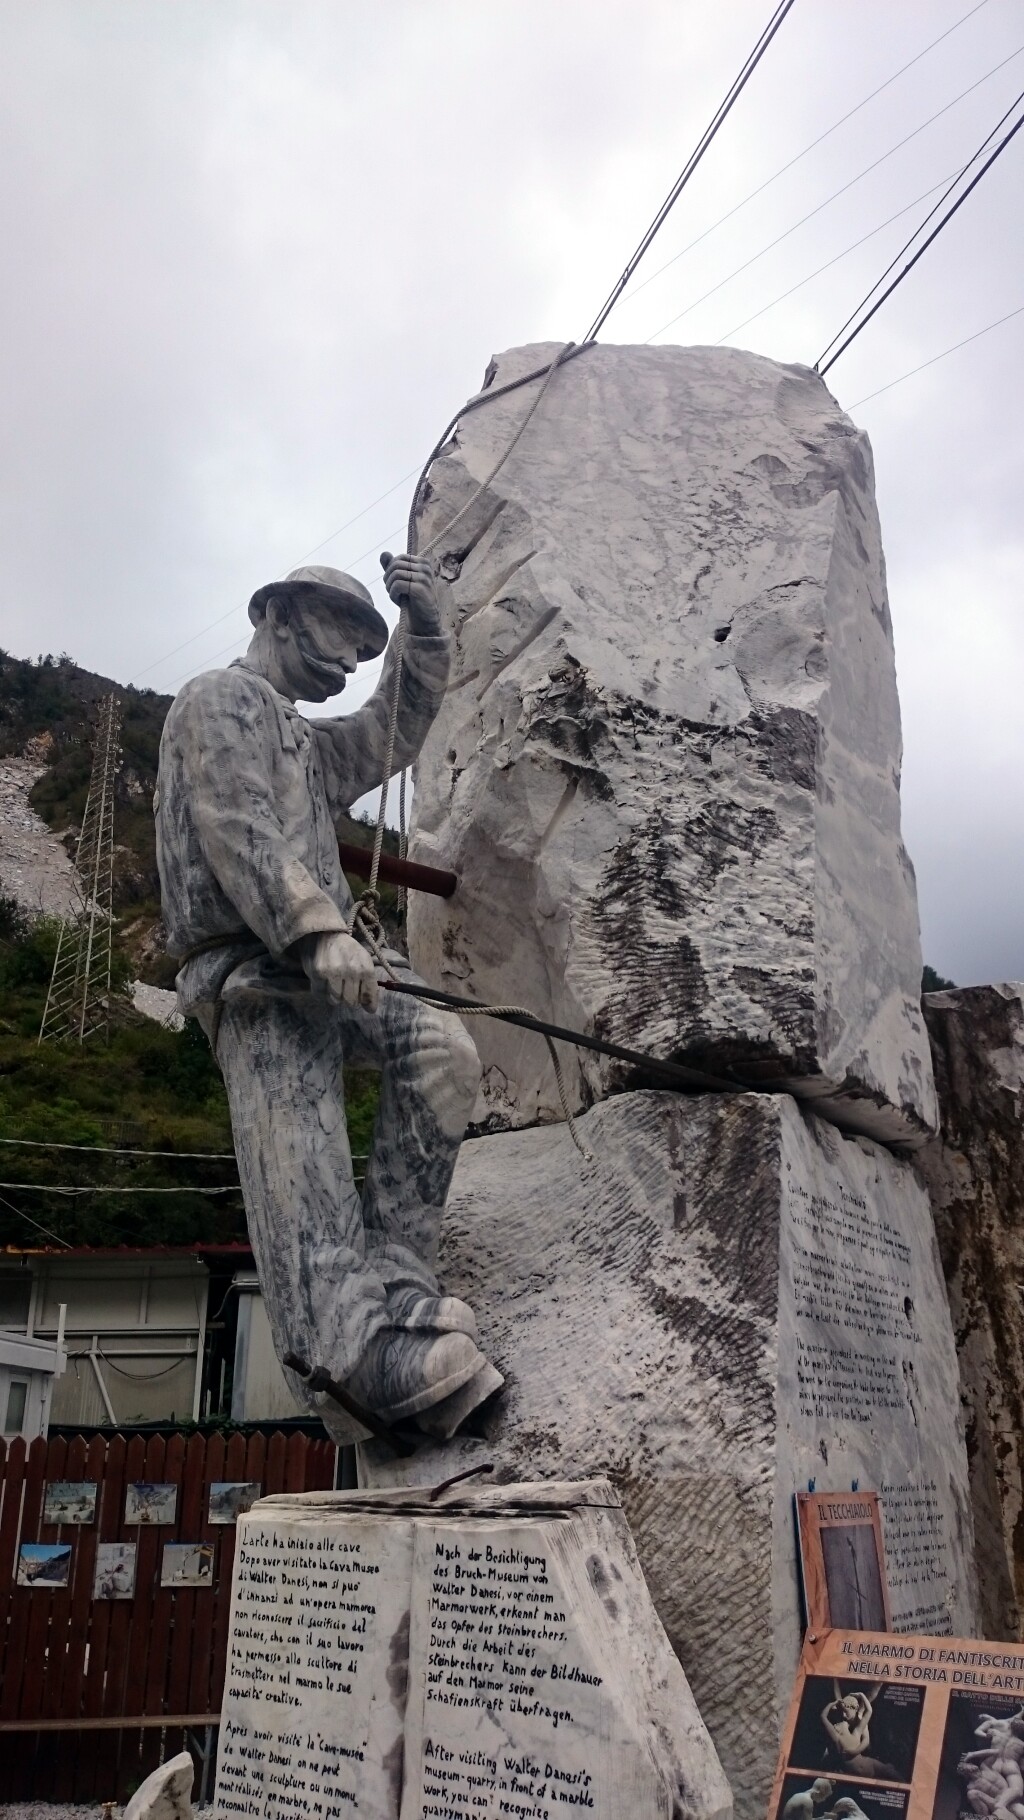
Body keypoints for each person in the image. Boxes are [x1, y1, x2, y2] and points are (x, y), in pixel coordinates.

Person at [156, 555, 498, 1439]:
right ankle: (350, 1356)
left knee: (442, 1053)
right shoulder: (215, 702)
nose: (348, 663)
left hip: (325, 961)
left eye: (360, 648)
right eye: (338, 637)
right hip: (254, 974)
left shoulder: (306, 742)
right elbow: (239, 828)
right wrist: (315, 930)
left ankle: (397, 1290)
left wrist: (424, 633)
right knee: (299, 1151)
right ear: (275, 612)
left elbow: (392, 730)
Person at [820, 1687, 897, 1780]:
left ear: (854, 1708)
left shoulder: (859, 1720)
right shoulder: (840, 1729)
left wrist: (854, 1751)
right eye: (842, 1712)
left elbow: (866, 1740)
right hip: (857, 1765)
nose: (843, 1716)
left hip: (865, 1756)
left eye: (845, 1712)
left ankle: (889, 1768)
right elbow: (825, 1715)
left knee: (889, 1772)